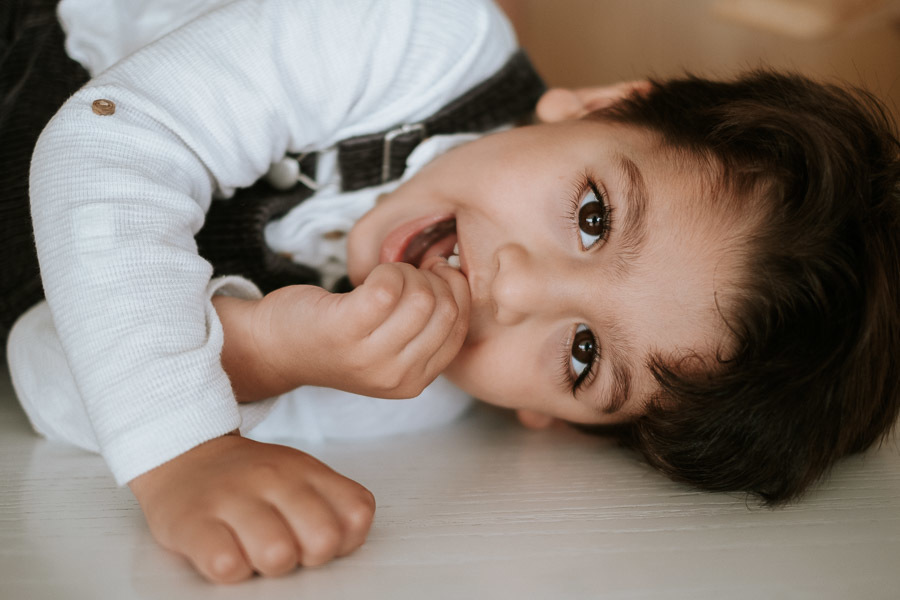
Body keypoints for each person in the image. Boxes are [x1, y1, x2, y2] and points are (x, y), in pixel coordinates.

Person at [4, 0, 899, 585]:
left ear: (551, 418)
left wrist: (264, 356)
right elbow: (109, 141)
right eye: (593, 216)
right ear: (601, 107)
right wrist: (185, 449)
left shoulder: (408, 397)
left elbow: (42, 362)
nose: (515, 288)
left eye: (584, 355)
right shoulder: (418, 38)